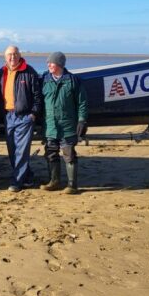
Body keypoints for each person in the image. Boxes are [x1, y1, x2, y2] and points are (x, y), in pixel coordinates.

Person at [0, 46, 42, 192]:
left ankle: (16, 182)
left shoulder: (29, 71)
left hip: (25, 116)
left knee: (22, 150)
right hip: (8, 116)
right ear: (5, 57)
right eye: (9, 55)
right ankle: (28, 177)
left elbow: (37, 96)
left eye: (15, 54)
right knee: (12, 150)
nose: (12, 57)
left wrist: (33, 114)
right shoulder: (2, 72)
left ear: (19, 55)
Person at [40, 51, 88, 194]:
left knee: (69, 153)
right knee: (50, 152)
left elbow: (82, 103)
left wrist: (82, 121)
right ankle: (54, 181)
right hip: (50, 125)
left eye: (51, 62)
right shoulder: (44, 79)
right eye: (48, 62)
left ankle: (72, 185)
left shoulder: (73, 80)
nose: (48, 65)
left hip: (67, 125)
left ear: (59, 64)